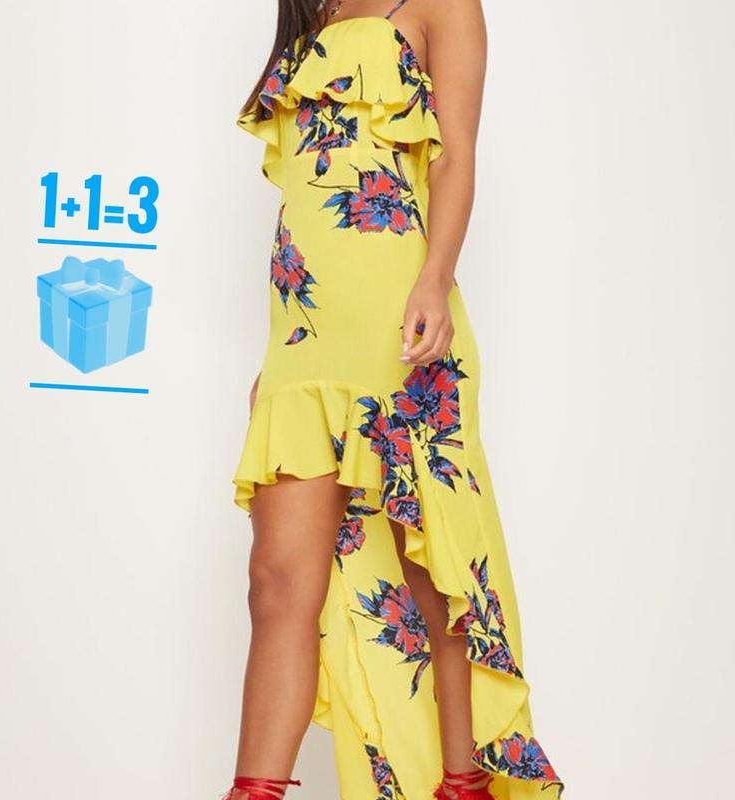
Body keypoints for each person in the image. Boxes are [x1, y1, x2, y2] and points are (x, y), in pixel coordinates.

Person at [226, 2, 563, 798]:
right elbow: (302, 202)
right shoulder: (312, 10)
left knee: (432, 570)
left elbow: (455, 157)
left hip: (398, 321)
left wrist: (435, 281)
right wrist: (279, 352)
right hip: (305, 338)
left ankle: (462, 782)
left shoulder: (443, 5)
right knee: (276, 582)